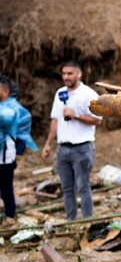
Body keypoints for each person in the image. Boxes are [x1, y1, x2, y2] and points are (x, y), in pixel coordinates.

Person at [41, 61, 102, 220]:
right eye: (64, 74)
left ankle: (88, 220)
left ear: (79, 74)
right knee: (67, 188)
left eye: (70, 74)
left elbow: (98, 119)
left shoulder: (88, 94)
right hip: (63, 148)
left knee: (83, 186)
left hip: (82, 147)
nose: (66, 77)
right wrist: (48, 143)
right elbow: (55, 119)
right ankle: (71, 221)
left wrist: (76, 115)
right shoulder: (60, 93)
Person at [0, 75, 38, 224]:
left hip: (5, 158)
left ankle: (10, 217)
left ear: (5, 91)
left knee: (6, 190)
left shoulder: (11, 109)